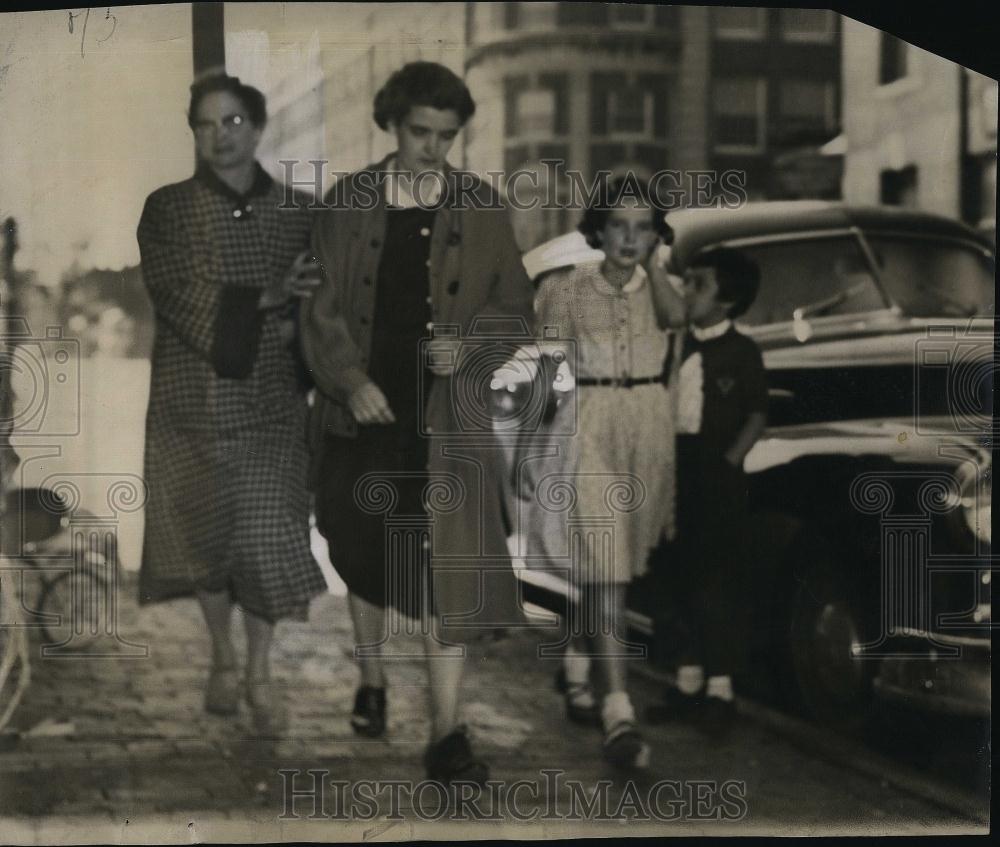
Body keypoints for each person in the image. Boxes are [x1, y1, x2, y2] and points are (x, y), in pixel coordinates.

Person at [300, 61, 535, 784]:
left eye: (446, 135)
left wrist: (469, 344)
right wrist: (350, 379)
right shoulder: (347, 202)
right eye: (419, 132)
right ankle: (371, 675)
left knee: (444, 569)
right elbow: (320, 307)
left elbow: (516, 309)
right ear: (392, 125)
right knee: (359, 543)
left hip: (443, 418)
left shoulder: (482, 206)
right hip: (363, 411)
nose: (432, 148)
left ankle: (447, 732)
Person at [137, 73, 328, 736]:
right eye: (205, 124)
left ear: (257, 126)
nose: (220, 136)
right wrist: (271, 297)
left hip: (274, 405)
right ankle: (220, 655)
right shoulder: (167, 209)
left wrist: (293, 319)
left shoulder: (302, 211)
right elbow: (178, 293)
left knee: (267, 539)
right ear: (193, 132)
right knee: (205, 543)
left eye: (233, 121)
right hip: (191, 405)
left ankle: (258, 670)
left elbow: (323, 309)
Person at [520, 176, 685, 768]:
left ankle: (577, 661)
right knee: (607, 567)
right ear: (599, 228)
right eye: (620, 225)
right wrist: (529, 454)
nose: (630, 238)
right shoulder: (566, 291)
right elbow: (548, 374)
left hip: (645, 426)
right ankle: (620, 712)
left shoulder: (666, 288)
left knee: (613, 568)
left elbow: (674, 317)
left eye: (644, 227)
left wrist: (660, 265)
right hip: (585, 423)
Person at [645, 247, 768, 738]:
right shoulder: (677, 345)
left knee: (713, 579)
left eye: (698, 284)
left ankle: (720, 689)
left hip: (715, 476)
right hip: (677, 469)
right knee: (675, 575)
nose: (686, 292)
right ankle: (688, 681)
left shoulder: (742, 351)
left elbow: (757, 413)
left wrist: (729, 461)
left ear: (728, 299)